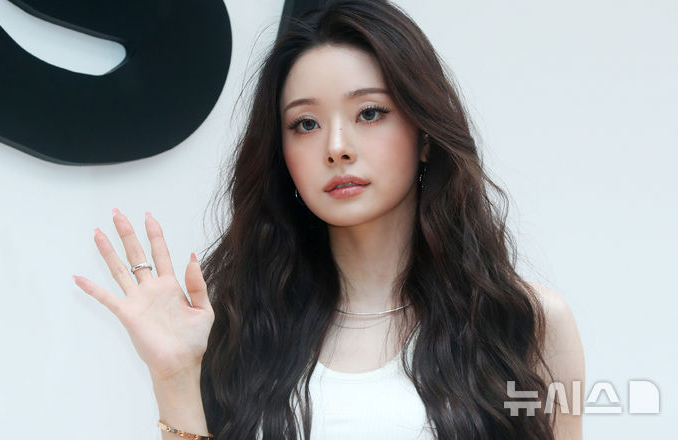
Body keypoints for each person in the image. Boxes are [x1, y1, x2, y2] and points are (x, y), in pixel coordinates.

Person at [72, 0, 585, 438]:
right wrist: (175, 378)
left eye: (369, 113)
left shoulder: (525, 322)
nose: (337, 147)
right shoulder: (241, 324)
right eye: (306, 124)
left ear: (425, 135)